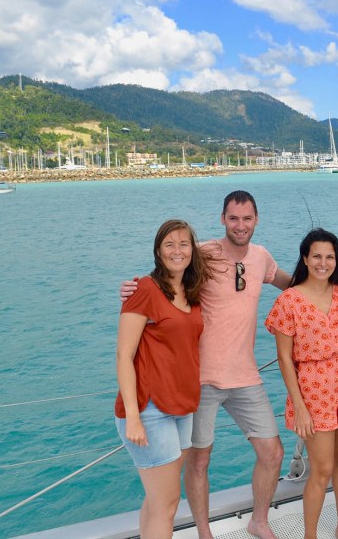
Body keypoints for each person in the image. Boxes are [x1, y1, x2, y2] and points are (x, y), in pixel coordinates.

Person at [120, 191, 291, 539]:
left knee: (272, 452)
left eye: (246, 218)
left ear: (257, 219)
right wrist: (133, 286)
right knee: (198, 461)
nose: (240, 225)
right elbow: (169, 269)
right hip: (200, 380)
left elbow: (292, 286)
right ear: (223, 219)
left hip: (245, 376)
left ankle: (259, 521)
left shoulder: (262, 258)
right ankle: (203, 531)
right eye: (233, 218)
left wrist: (334, 288)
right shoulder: (204, 254)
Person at [265, 228, 338, 539]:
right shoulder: (289, 300)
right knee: (320, 469)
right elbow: (285, 359)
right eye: (316, 256)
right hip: (314, 389)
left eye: (329, 256)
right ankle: (310, 534)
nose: (323, 263)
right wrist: (299, 406)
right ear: (305, 259)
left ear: (336, 260)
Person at [114, 219, 215, 538]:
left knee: (158, 501)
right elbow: (123, 356)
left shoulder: (192, 292)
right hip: (150, 409)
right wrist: (133, 416)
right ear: (158, 251)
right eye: (169, 244)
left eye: (184, 244)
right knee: (167, 504)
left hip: (182, 407)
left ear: (192, 250)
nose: (177, 250)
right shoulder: (145, 289)